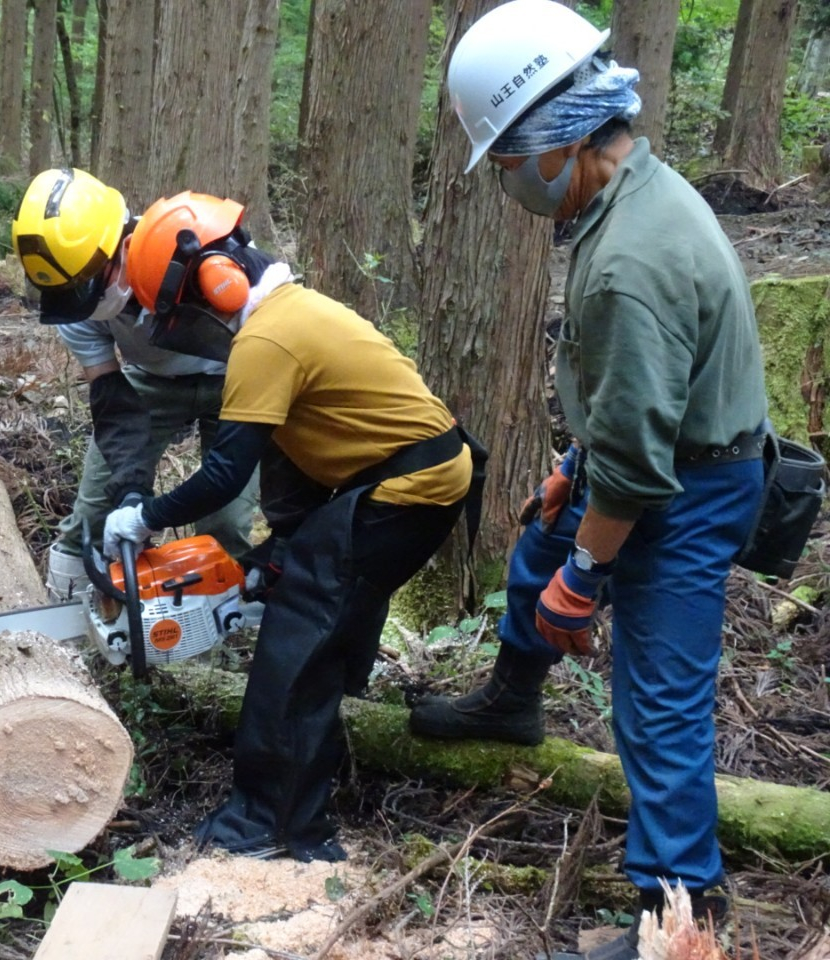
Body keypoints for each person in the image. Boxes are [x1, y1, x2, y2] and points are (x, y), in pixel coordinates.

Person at [406, 2, 768, 957]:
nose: (509, 181)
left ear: (561, 141)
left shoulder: (628, 265)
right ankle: (511, 700)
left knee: (658, 704)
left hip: (690, 489)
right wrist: (575, 470)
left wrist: (587, 575)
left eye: (510, 161)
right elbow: (639, 398)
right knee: (539, 542)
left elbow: (642, 467)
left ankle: (680, 910)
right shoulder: (632, 194)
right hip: (657, 455)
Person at [102, 191, 476, 862]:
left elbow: (225, 474)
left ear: (215, 282)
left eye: (178, 312)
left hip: (405, 488)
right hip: (400, 477)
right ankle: (333, 728)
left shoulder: (267, 339)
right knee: (315, 593)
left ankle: (272, 824)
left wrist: (144, 515)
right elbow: (299, 457)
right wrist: (274, 556)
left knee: (299, 637)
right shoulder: (290, 312)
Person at [11, 168, 259, 600]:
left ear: (120, 243)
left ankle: (224, 617)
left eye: (88, 282)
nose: (82, 298)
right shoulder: (75, 309)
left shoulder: (206, 247)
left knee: (226, 518)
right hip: (152, 380)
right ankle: (66, 604)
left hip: (239, 377)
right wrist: (130, 490)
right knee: (95, 511)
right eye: (70, 289)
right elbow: (110, 396)